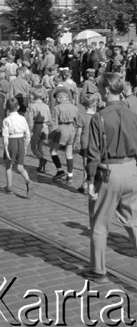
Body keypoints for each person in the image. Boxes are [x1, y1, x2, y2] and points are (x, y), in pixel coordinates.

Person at [83, 72, 137, 284]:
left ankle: (98, 271)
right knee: (133, 222)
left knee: (100, 224)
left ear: (106, 90)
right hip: (132, 169)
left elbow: (93, 153)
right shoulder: (133, 115)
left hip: (108, 172)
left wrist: (89, 180)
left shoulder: (100, 117)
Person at [2, 98, 33, 197]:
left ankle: (9, 186)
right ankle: (28, 181)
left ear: (6, 108)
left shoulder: (6, 120)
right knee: (20, 167)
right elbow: (28, 134)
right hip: (21, 140)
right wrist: (25, 145)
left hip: (11, 141)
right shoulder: (22, 118)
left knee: (8, 166)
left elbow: (5, 136)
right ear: (18, 107)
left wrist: (6, 148)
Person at [48, 89, 79, 183]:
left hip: (61, 129)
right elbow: (77, 122)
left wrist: (51, 135)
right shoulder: (75, 108)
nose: (56, 101)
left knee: (53, 150)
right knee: (69, 153)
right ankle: (70, 175)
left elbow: (54, 123)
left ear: (59, 98)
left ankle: (59, 170)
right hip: (72, 129)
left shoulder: (57, 108)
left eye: (57, 99)